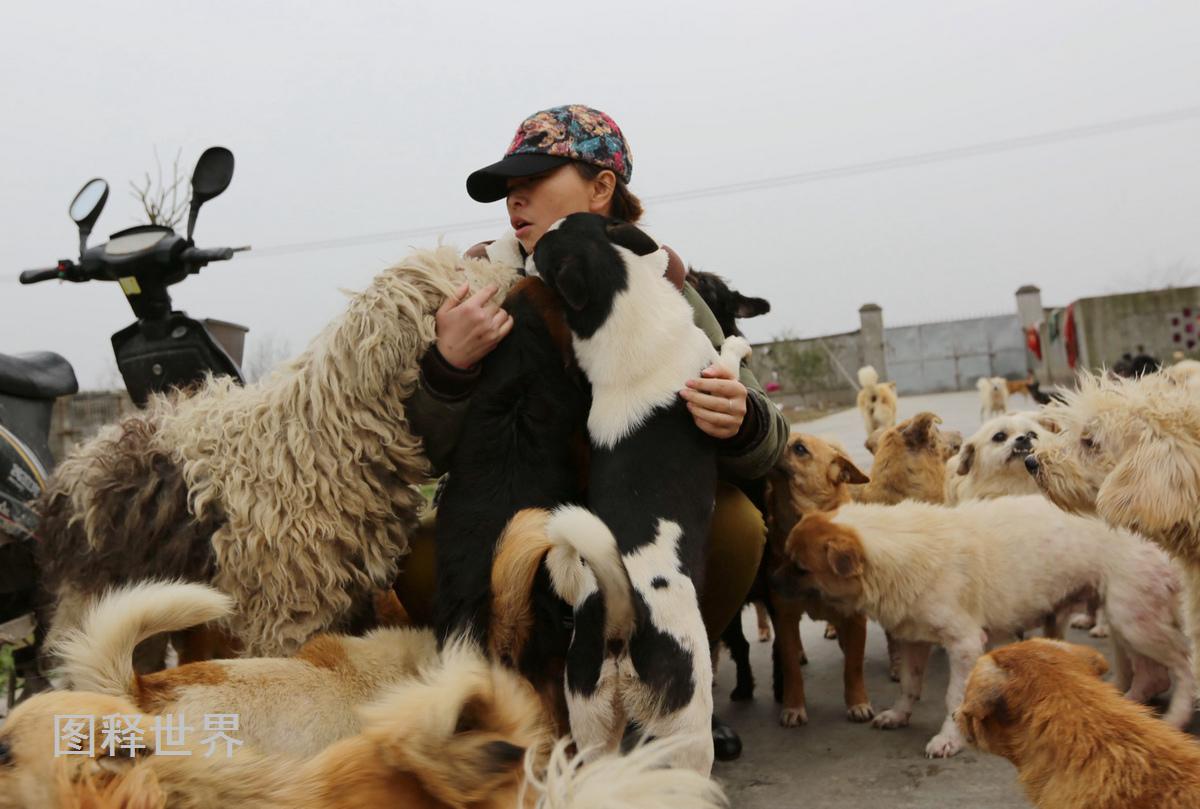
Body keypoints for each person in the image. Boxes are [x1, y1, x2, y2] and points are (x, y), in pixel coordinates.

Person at [399, 105, 789, 760]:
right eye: (505, 187)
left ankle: (673, 683)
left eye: (536, 177)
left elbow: (771, 438)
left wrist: (743, 418)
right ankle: (505, 703)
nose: (513, 198)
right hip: (522, 519)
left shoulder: (660, 281)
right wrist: (448, 366)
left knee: (740, 528)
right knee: (416, 556)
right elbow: (413, 451)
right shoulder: (469, 288)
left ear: (601, 186)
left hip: (632, 514)